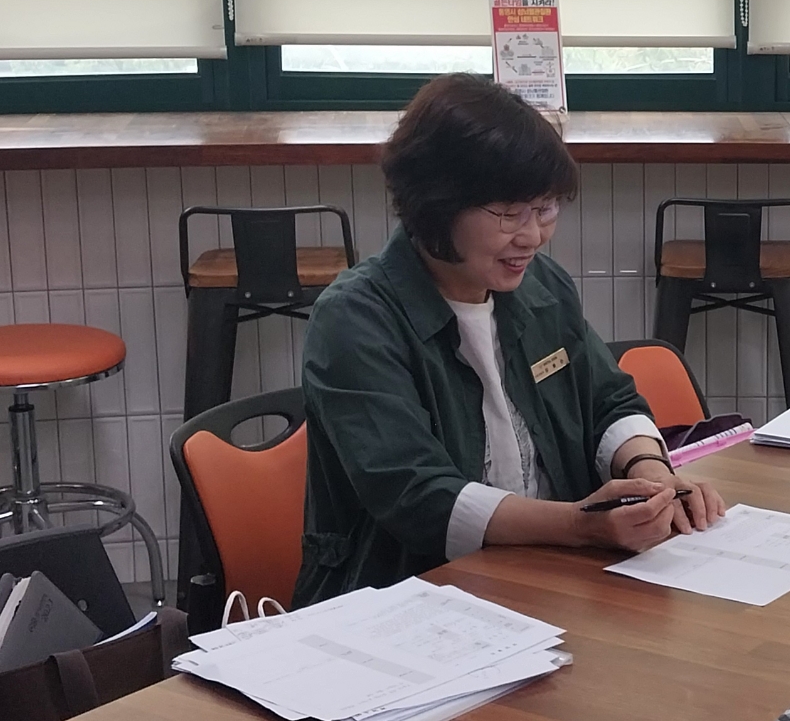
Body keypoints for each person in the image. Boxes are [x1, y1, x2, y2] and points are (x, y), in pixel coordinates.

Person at [293, 73, 725, 605]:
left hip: (548, 578)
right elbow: (418, 497)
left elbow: (608, 401)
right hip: (403, 597)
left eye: (545, 209)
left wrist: (652, 476)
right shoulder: (356, 321)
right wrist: (581, 525)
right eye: (508, 214)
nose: (533, 236)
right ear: (436, 204)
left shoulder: (541, 288)